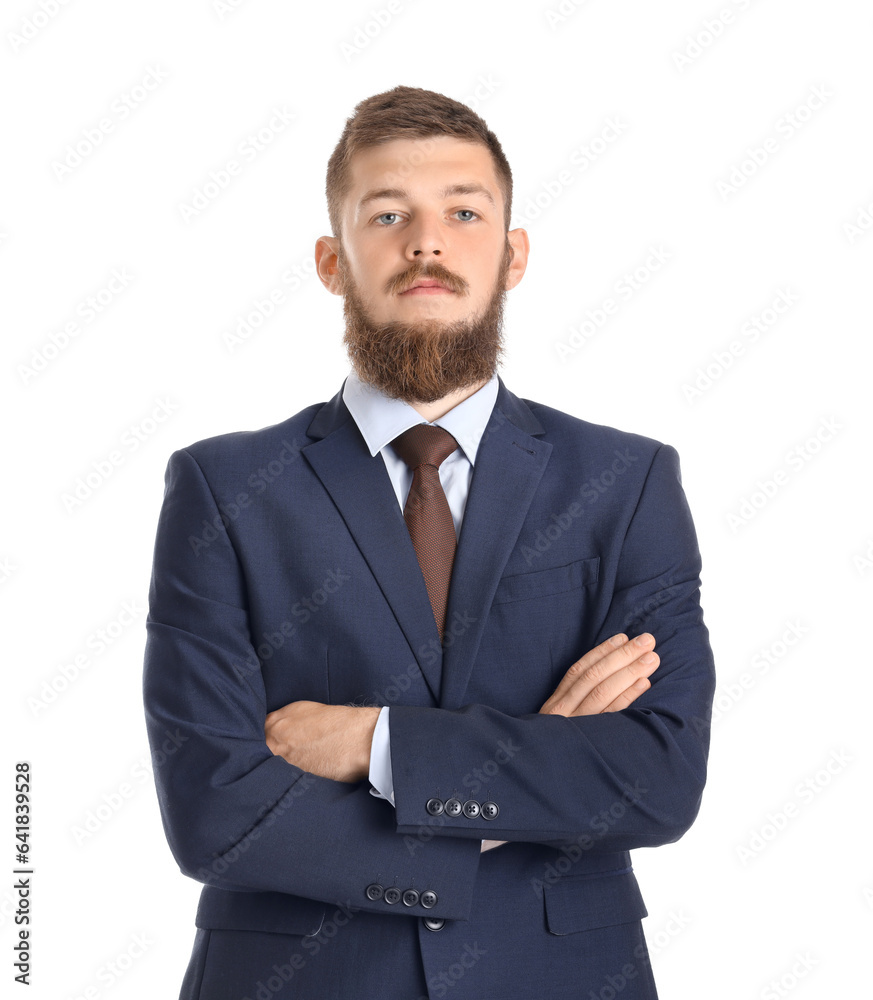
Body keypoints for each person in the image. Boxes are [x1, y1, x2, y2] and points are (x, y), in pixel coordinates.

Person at [143, 85, 715, 1000]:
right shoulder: (223, 488)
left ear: (512, 255)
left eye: (462, 211)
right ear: (333, 261)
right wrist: (530, 768)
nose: (427, 243)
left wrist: (381, 747)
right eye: (387, 215)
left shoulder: (626, 481)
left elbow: (656, 781)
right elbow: (214, 811)